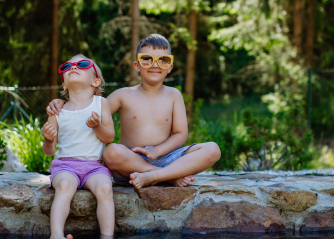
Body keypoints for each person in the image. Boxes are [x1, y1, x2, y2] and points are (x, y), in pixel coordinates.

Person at [47, 34, 221, 189]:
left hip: (166, 156)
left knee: (212, 149)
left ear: (170, 67)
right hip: (130, 162)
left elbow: (181, 134)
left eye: (163, 60)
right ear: (137, 65)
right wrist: (63, 102)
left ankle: (155, 176)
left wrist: (157, 151)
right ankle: (169, 177)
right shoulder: (124, 94)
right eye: (147, 59)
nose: (155, 65)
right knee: (111, 152)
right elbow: (90, 106)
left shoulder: (174, 95)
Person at [42, 54, 115, 239]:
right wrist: (48, 140)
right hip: (65, 166)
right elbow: (49, 151)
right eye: (67, 66)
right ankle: (56, 235)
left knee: (105, 188)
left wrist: (97, 126)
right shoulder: (57, 111)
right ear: (64, 85)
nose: (73, 67)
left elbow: (110, 137)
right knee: (65, 185)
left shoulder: (101, 104)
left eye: (82, 65)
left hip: (94, 167)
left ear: (95, 81)